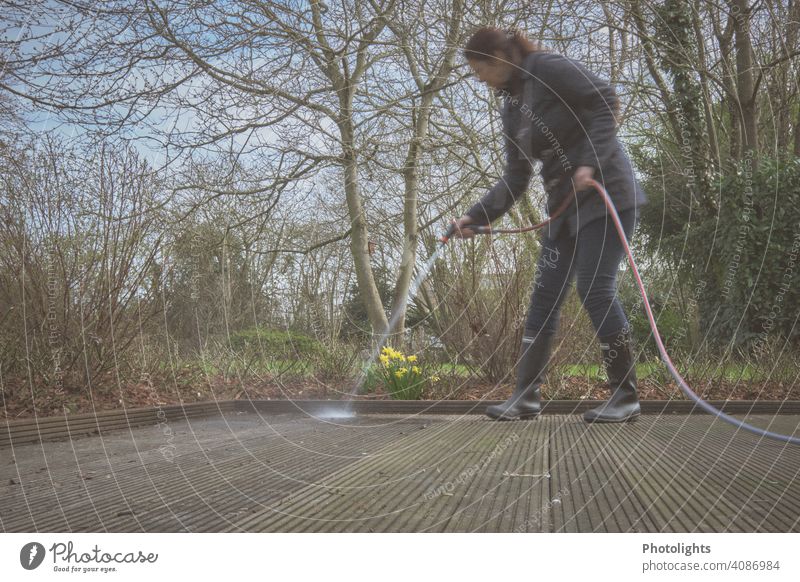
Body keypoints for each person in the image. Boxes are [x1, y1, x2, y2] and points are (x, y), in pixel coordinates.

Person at [451, 26, 648, 423]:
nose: (479, 78)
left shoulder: (547, 68)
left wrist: (589, 161)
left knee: (595, 288)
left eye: (480, 68)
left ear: (500, 56)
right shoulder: (510, 106)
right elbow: (515, 176)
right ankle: (525, 396)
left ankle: (625, 396)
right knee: (544, 296)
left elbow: (607, 99)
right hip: (564, 210)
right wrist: (476, 215)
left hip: (605, 193)